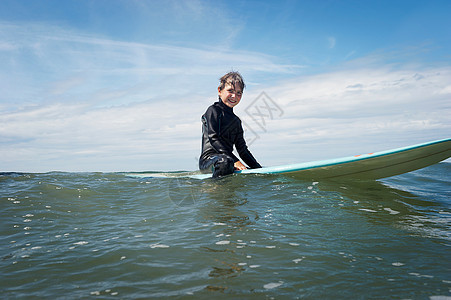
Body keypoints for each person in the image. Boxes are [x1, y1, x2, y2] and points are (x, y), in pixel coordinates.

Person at [199, 71, 262, 178]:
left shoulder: (236, 121)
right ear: (220, 90)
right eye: (230, 91)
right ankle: (214, 190)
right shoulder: (213, 111)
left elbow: (243, 150)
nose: (234, 96)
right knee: (225, 161)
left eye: (239, 93)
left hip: (227, 160)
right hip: (209, 160)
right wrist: (235, 161)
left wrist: (260, 170)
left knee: (228, 161)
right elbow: (214, 139)